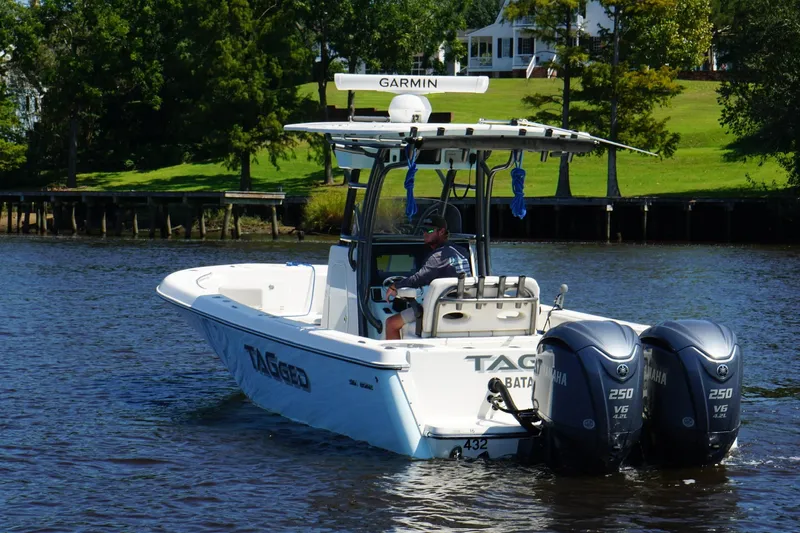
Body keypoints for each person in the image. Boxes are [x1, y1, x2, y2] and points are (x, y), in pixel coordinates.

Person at [384, 215, 471, 340]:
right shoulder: (462, 251)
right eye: (423, 230)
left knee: (391, 323)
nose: (424, 234)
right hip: (461, 307)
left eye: (429, 230)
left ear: (441, 231)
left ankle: (394, 353)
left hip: (440, 310)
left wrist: (395, 286)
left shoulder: (438, 256)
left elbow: (418, 279)